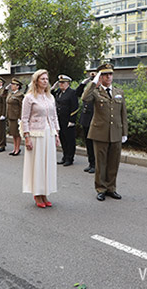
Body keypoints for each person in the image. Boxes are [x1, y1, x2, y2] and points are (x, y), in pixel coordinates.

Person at [82, 63, 128, 201]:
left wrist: (124, 132)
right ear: (100, 77)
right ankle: (101, 188)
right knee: (100, 163)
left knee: (114, 162)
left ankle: (111, 188)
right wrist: (93, 83)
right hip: (100, 132)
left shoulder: (119, 92)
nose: (108, 77)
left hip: (116, 132)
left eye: (110, 74)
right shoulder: (95, 92)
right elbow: (85, 98)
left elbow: (123, 114)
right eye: (105, 74)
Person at [21, 69, 60, 208]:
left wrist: (56, 134)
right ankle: (37, 194)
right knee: (37, 165)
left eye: (46, 78)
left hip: (49, 134)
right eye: (42, 78)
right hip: (35, 135)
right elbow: (24, 119)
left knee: (47, 164)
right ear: (36, 81)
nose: (45, 81)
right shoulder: (29, 97)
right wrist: (27, 137)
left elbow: (54, 117)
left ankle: (45, 193)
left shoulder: (50, 97)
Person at [52, 74, 79, 166]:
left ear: (68, 83)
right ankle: (64, 156)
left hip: (68, 120)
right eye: (60, 82)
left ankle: (70, 158)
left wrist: (72, 120)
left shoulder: (72, 93)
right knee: (63, 139)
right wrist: (53, 87)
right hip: (60, 119)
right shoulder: (59, 92)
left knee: (69, 140)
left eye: (63, 83)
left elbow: (75, 107)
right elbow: (50, 95)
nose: (61, 84)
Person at [76, 72, 96, 173]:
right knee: (88, 143)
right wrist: (85, 82)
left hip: (94, 120)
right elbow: (78, 93)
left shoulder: (98, 89)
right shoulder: (87, 89)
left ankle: (95, 164)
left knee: (94, 144)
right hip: (86, 120)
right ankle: (91, 163)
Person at [6, 78, 25, 156]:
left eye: (13, 84)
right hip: (10, 116)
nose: (12, 86)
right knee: (13, 133)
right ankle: (15, 148)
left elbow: (22, 106)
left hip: (16, 117)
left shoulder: (20, 95)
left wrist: (20, 117)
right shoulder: (10, 94)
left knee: (17, 134)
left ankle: (17, 149)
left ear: (18, 86)